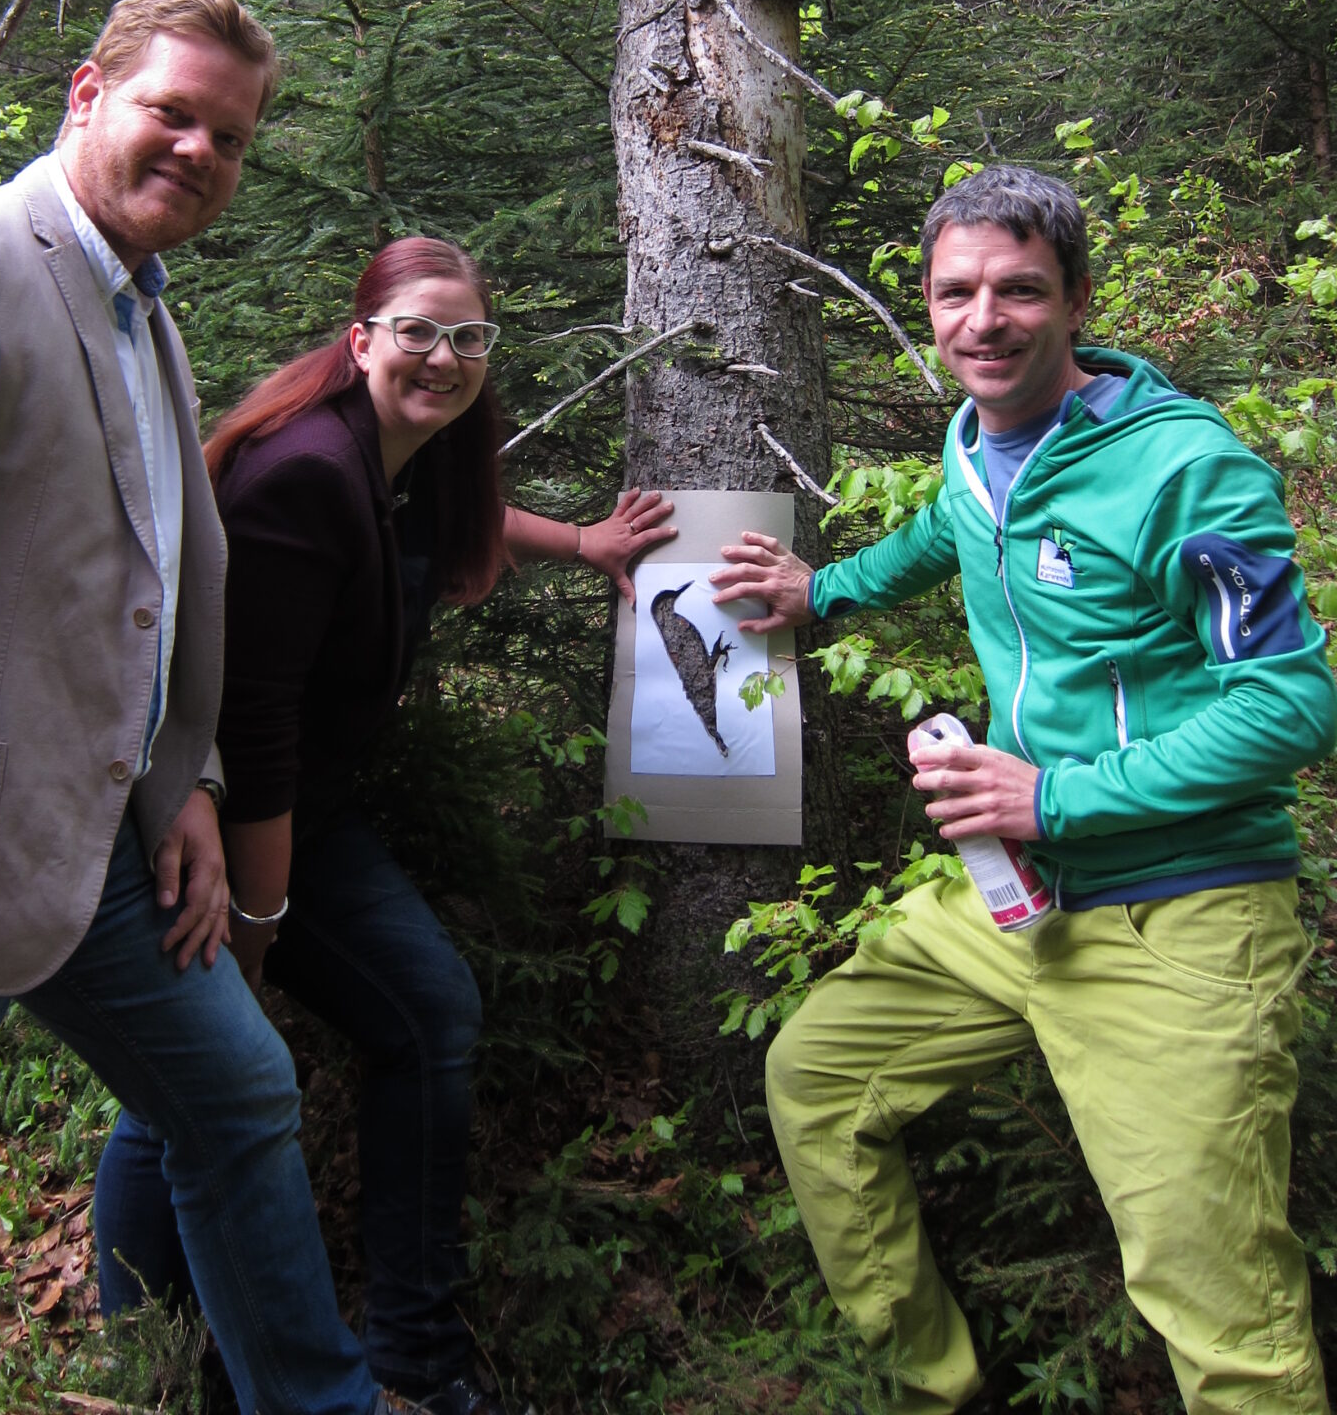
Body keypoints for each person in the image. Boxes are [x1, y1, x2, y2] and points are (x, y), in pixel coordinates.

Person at [0, 0, 414, 1415]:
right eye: (173, 113)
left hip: (94, 855)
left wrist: (182, 783)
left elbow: (116, 593)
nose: (201, 152)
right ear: (88, 95)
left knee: (240, 1097)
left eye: (232, 137)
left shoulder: (141, 310)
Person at [709, 163, 1337, 1415]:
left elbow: (1291, 704)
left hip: (1179, 915)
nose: (982, 320)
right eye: (956, 293)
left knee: (1221, 1313)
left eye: (1018, 291)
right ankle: (939, 1385)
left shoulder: (1185, 472)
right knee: (820, 1075)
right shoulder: (980, 439)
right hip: (1016, 906)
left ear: (1077, 300)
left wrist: (1049, 799)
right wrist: (822, 591)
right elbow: (957, 524)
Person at [93, 235, 676, 1415]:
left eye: (469, 336)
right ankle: (158, 1348)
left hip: (306, 802)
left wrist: (584, 543)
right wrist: (257, 914)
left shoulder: (405, 451)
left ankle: (409, 1357)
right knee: (197, 1070)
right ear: (361, 339)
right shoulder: (306, 468)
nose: (445, 356)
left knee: (401, 1018)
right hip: (209, 815)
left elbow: (465, 513)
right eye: (417, 330)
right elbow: (249, 722)